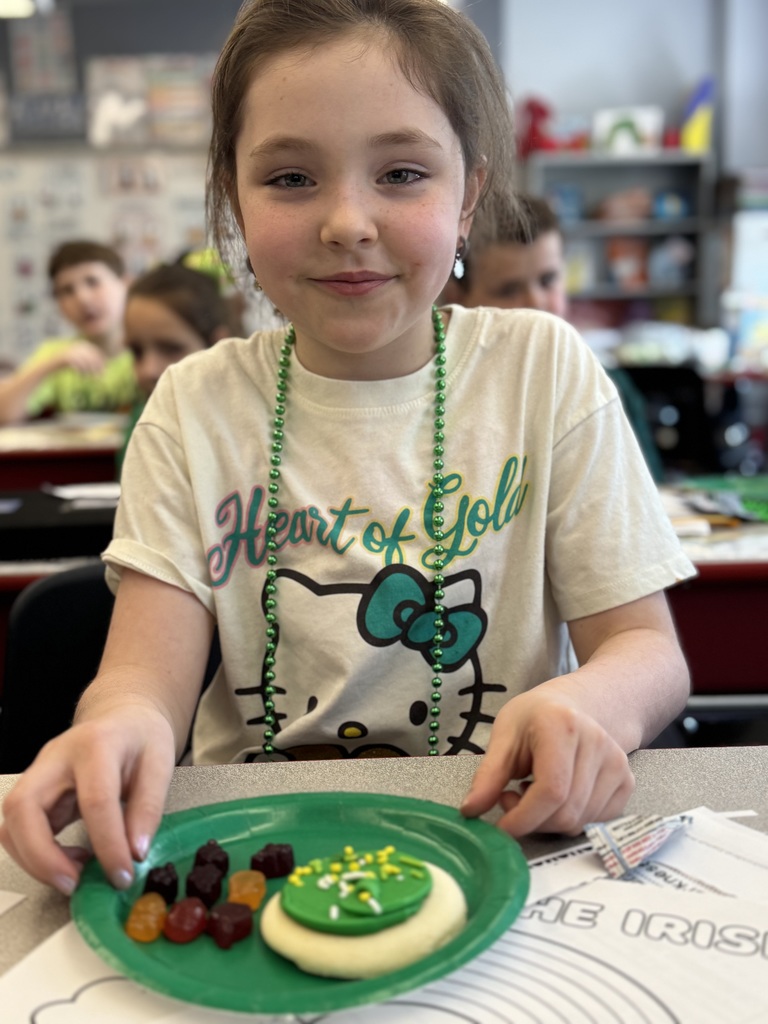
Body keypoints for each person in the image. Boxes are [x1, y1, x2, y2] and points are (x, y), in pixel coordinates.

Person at [1, 0, 694, 897]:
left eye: (403, 172)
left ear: (469, 193)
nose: (347, 222)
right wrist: (114, 725)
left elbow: (649, 653)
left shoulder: (542, 371)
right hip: (253, 847)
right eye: (290, 179)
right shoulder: (193, 405)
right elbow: (142, 676)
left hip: (500, 839)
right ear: (233, 197)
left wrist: (589, 701)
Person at [442, 193, 665, 481]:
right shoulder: (439, 399)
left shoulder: (607, 387)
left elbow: (648, 501)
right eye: (509, 290)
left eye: (548, 280)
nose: (537, 303)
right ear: (457, 297)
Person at [0, 240, 139, 426]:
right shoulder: (55, 353)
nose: (82, 298)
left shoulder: (158, 350)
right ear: (59, 305)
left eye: (93, 282)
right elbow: (4, 414)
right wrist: (52, 364)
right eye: (67, 290)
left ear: (126, 284)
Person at [116, 263, 233, 474]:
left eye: (171, 349)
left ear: (217, 344)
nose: (147, 370)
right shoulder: (143, 415)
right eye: (136, 352)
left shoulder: (242, 426)